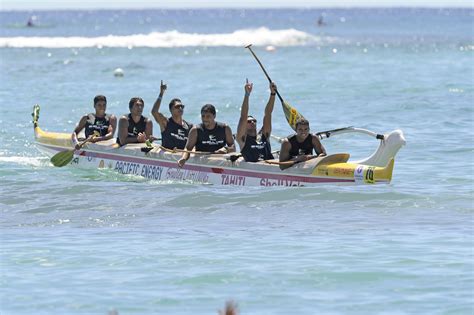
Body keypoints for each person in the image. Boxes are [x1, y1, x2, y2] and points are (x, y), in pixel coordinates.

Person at [236, 80, 276, 162]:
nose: (252, 122)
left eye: (254, 121)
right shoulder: (242, 139)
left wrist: (273, 94)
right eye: (249, 121)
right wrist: (247, 95)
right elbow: (243, 117)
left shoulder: (264, 135)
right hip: (254, 168)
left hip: (269, 165)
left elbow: (268, 113)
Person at [151, 80, 192, 149]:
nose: (180, 108)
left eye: (182, 106)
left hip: (182, 156)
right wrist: (161, 93)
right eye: (177, 107)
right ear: (171, 110)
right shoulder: (165, 122)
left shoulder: (189, 126)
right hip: (167, 156)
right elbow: (154, 112)